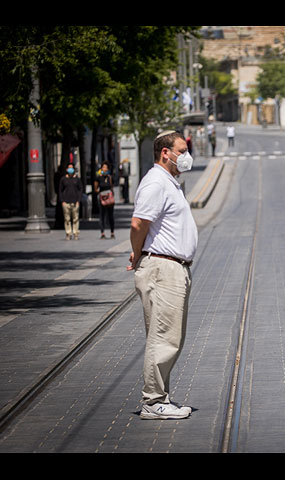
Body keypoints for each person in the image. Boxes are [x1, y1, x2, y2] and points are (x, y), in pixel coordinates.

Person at [127, 130, 198, 420]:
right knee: (164, 338)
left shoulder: (170, 183)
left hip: (172, 268)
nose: (186, 156)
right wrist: (137, 252)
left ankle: (160, 397)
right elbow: (138, 223)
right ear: (165, 153)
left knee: (167, 336)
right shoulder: (156, 183)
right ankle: (153, 401)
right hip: (163, 269)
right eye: (181, 151)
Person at [59, 163, 83, 240]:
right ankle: (68, 233)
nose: (70, 170)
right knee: (67, 219)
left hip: (75, 202)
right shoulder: (63, 179)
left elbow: (80, 190)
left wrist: (78, 200)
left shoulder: (77, 179)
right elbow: (60, 190)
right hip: (66, 202)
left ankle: (76, 233)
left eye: (72, 168)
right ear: (66, 169)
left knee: (75, 218)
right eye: (69, 168)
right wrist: (62, 201)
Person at [94, 161, 115, 239]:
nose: (104, 169)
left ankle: (112, 232)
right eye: (103, 167)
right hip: (102, 198)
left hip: (109, 198)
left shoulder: (110, 177)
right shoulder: (99, 177)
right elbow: (95, 187)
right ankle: (102, 232)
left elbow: (112, 186)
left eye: (106, 167)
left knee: (111, 216)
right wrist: (99, 192)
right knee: (102, 215)